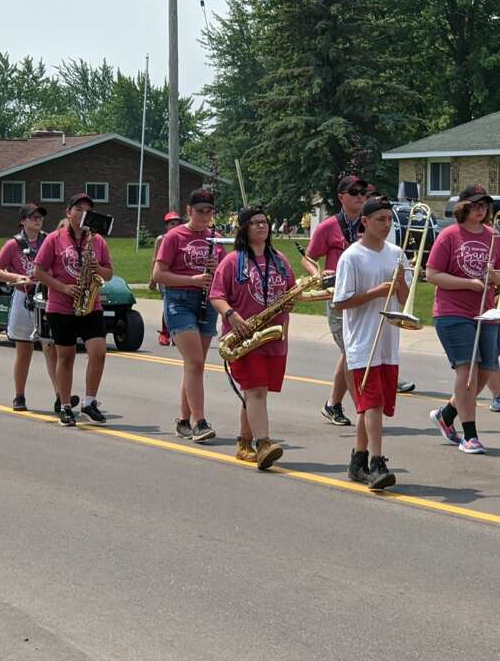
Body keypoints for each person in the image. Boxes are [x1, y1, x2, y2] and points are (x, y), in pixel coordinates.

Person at [333, 196, 411, 491]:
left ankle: (358, 460)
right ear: (364, 222)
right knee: (373, 402)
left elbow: (404, 299)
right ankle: (377, 462)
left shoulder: (396, 253)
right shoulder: (352, 257)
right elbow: (340, 302)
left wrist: (400, 282)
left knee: (370, 407)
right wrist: (375, 292)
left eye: (389, 219)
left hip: (388, 341)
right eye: (380, 219)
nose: (386, 225)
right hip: (362, 342)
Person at [209, 205, 293, 470]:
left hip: (273, 337)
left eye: (264, 222)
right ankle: (263, 443)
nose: (261, 226)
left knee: (257, 392)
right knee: (255, 390)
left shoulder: (279, 259)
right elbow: (216, 295)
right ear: (244, 228)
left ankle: (244, 443)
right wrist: (232, 315)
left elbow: (291, 292)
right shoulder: (232, 261)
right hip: (244, 338)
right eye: (255, 223)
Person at [424, 185, 500, 454]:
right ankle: (469, 436)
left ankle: (447, 415)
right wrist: (468, 284)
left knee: (485, 371)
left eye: (485, 204)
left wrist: (496, 278)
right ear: (464, 207)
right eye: (476, 204)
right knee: (466, 370)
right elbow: (433, 274)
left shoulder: (494, 236)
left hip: (486, 311)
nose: (481, 209)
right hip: (453, 312)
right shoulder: (449, 235)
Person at [33, 193, 114, 426]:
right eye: (78, 209)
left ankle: (90, 402)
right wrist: (63, 288)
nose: (82, 213)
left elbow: (109, 273)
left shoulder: (97, 241)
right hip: (60, 305)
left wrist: (97, 267)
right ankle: (66, 405)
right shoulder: (54, 239)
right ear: (69, 213)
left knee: (98, 352)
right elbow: (38, 271)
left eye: (87, 210)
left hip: (91, 303)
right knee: (66, 357)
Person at [153, 189, 222, 442]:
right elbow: (158, 275)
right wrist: (192, 279)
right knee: (194, 361)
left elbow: (224, 276)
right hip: (179, 301)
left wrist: (216, 271)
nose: (205, 216)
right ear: (189, 211)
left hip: (206, 303)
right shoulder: (174, 236)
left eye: (209, 211)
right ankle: (200, 422)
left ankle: (183, 420)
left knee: (195, 365)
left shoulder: (217, 238)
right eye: (200, 210)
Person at [305, 175, 372, 426]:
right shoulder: (328, 226)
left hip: (364, 296)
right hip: (338, 298)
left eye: (363, 192)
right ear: (341, 197)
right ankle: (362, 409)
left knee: (350, 353)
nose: (360, 196)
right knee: (352, 352)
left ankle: (333, 404)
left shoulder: (369, 223)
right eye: (354, 192)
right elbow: (308, 259)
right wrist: (319, 274)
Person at [0, 203, 58, 412]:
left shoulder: (50, 241)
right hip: (23, 298)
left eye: (40, 217)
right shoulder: (13, 244)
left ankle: (60, 396)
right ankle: (19, 395)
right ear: (23, 221)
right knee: (23, 350)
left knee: (50, 348)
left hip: (47, 298)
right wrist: (17, 277)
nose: (38, 220)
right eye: (33, 217)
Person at [151, 211, 184, 347]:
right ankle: (165, 333)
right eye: (172, 224)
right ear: (166, 226)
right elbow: (155, 260)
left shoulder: (183, 238)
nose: (175, 226)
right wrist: (152, 280)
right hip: (165, 276)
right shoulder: (162, 239)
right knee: (168, 304)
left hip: (179, 277)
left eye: (177, 223)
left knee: (179, 306)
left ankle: (178, 333)